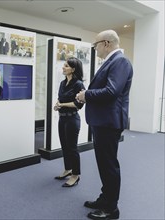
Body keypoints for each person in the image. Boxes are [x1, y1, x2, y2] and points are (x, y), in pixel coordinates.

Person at [76, 30, 133, 220]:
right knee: (104, 163)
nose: (95, 48)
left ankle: (111, 209)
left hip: (109, 122)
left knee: (109, 165)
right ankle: (105, 198)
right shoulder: (113, 61)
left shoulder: (120, 61)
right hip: (103, 121)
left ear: (106, 43)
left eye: (96, 44)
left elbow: (111, 91)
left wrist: (86, 95)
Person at [53, 57, 85, 187]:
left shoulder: (79, 84)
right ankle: (68, 169)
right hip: (62, 118)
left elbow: (79, 104)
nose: (63, 67)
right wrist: (57, 105)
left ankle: (75, 175)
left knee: (72, 148)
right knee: (64, 147)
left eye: (66, 66)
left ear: (73, 69)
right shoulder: (62, 83)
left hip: (72, 119)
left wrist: (62, 104)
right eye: (64, 65)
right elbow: (60, 98)